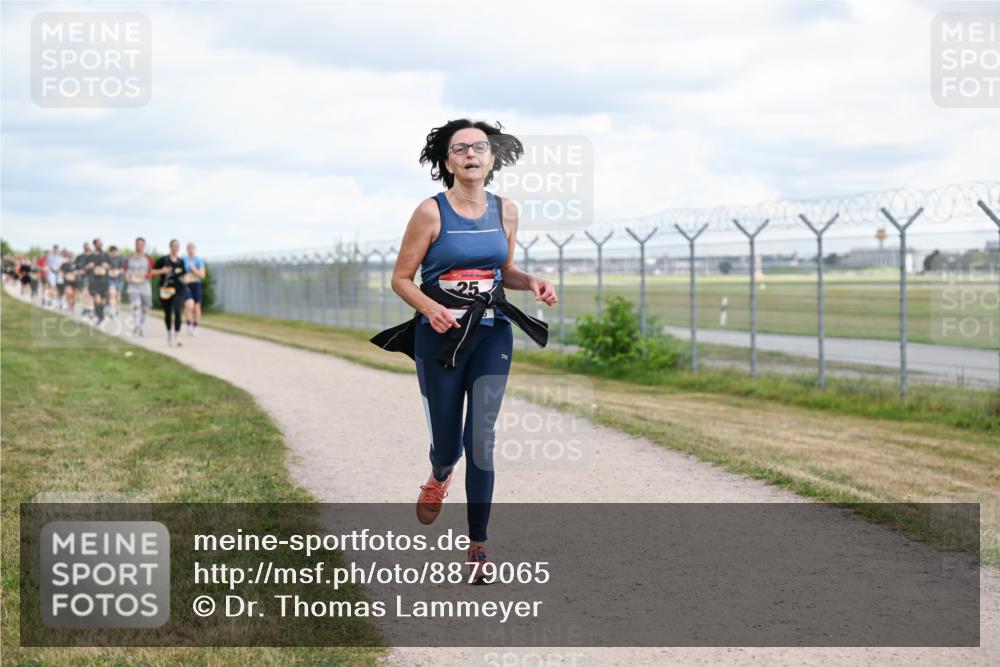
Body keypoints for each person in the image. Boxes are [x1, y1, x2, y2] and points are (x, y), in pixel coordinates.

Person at [371, 119, 556, 582]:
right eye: (460, 148)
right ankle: (438, 474)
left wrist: (532, 281)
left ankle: (478, 546)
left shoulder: (506, 210)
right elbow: (400, 279)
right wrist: (430, 308)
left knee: (481, 440)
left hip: (491, 332)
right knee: (449, 445)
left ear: (492, 158)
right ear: (447, 162)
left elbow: (505, 270)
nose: (471, 153)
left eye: (479, 147)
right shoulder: (430, 212)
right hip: (439, 337)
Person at [152, 239, 189, 346]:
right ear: (170, 247)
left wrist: (186, 279)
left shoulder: (181, 261)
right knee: (168, 313)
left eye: (177, 246)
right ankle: (169, 333)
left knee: (177, 310)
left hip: (178, 289)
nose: (176, 248)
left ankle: (177, 336)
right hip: (165, 290)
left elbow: (184, 274)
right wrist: (162, 271)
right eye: (174, 245)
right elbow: (152, 272)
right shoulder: (163, 260)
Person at [125, 237, 154, 337]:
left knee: (146, 308)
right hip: (133, 286)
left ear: (144, 246)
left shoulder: (148, 259)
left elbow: (152, 272)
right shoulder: (129, 258)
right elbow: (125, 271)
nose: (139, 246)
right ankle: (136, 325)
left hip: (145, 286)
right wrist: (127, 277)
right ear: (135, 245)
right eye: (138, 244)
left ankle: (140, 325)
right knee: (136, 304)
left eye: (141, 244)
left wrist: (146, 275)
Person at [182, 242, 206, 336]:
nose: (191, 250)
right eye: (189, 248)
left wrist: (193, 268)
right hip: (187, 285)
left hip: (196, 284)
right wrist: (184, 278)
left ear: (195, 249)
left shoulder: (198, 260)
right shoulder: (183, 260)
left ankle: (195, 327)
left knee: (196, 307)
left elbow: (202, 275)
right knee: (189, 304)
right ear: (187, 249)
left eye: (192, 248)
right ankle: (188, 323)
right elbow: (180, 273)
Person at [86, 238, 112, 324]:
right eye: (99, 243)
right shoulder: (90, 256)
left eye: (101, 243)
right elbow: (84, 267)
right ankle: (100, 317)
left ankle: (101, 315)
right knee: (97, 297)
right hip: (94, 280)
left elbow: (111, 266)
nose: (101, 245)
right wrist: (89, 266)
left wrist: (107, 266)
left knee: (103, 300)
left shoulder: (105, 255)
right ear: (95, 245)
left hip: (104, 280)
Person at [107, 245, 126, 319]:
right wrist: (109, 271)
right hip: (110, 279)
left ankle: (117, 308)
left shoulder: (121, 258)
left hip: (119, 279)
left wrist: (118, 271)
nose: (113, 253)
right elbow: (106, 267)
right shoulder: (108, 259)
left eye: (114, 252)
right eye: (112, 252)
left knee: (118, 295)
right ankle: (112, 310)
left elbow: (123, 269)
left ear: (117, 252)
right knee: (112, 294)